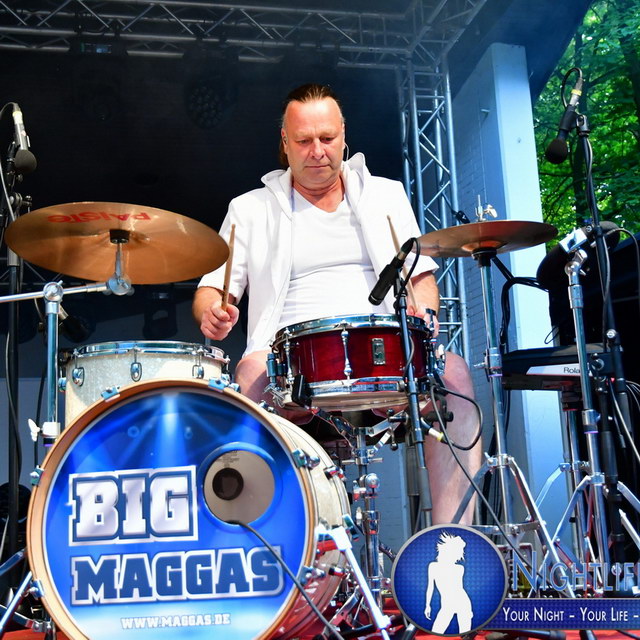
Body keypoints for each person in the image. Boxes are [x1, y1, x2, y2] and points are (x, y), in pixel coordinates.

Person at [193, 83, 480, 524]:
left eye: (327, 138)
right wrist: (212, 312)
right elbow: (212, 290)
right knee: (249, 374)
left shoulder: (385, 195)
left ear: (344, 135)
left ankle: (453, 540)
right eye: (304, 141)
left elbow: (421, 279)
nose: (317, 151)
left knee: (455, 375)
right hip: (289, 361)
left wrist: (425, 311)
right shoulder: (250, 209)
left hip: (383, 354)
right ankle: (274, 536)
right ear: (285, 143)